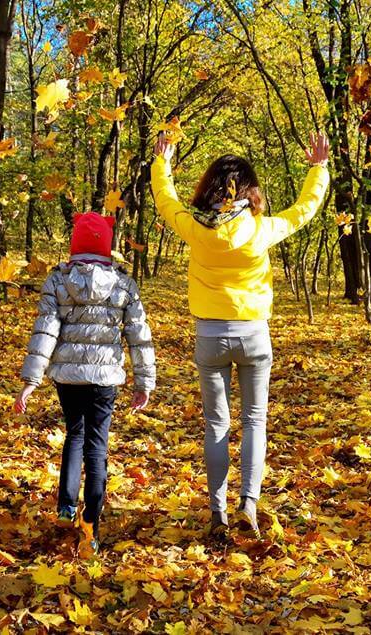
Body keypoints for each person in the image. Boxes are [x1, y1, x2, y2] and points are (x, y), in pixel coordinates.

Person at [151, 131, 330, 538]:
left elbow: (165, 201)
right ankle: (248, 503)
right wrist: (318, 168)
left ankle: (219, 513)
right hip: (254, 335)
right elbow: (305, 210)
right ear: (250, 191)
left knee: (216, 424)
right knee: (254, 421)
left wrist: (162, 161)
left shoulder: (196, 228)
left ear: (209, 187)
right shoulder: (261, 229)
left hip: (210, 335)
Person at [13, 212, 155, 552]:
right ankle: (91, 519)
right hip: (105, 378)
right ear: (107, 247)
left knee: (74, 435)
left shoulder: (58, 280)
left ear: (75, 244)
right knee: (97, 443)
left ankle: (65, 508)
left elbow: (46, 330)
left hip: (68, 377)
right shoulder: (123, 283)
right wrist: (144, 381)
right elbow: (139, 335)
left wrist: (32, 380)